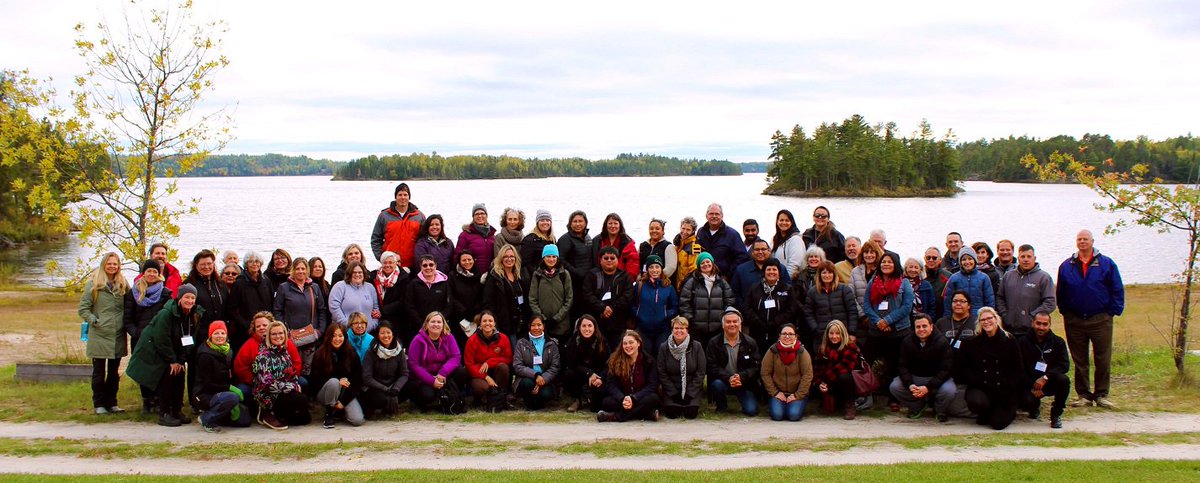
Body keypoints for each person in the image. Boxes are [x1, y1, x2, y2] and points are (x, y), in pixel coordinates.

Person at [1057, 229, 1124, 409]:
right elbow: (1060, 292)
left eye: (1085, 239)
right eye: (1079, 239)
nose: (1082, 242)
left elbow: (1117, 288)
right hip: (1075, 320)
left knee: (1102, 357)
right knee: (1080, 359)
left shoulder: (1106, 263)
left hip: (1100, 319)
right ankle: (1084, 395)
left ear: (1092, 241)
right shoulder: (1067, 265)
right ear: (1076, 242)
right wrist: (1066, 312)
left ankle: (1101, 394)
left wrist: (1113, 311)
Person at [126, 284, 202, 427]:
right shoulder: (166, 314)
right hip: (156, 349)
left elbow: (190, 339)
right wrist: (172, 361)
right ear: (179, 298)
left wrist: (181, 360)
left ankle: (176, 411)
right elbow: (161, 338)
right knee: (167, 377)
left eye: (193, 298)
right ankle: (164, 413)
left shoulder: (194, 315)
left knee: (180, 375)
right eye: (187, 297)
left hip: (176, 349)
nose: (190, 301)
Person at [956, 307, 1024, 430]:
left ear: (996, 319)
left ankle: (1006, 411)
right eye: (983, 320)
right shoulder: (972, 343)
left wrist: (1010, 384)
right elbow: (963, 369)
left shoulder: (1010, 340)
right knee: (976, 402)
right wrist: (977, 380)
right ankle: (985, 411)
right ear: (979, 323)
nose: (986, 322)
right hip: (982, 387)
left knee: (998, 425)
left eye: (989, 318)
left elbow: (1018, 368)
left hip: (1004, 389)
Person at [862, 252, 915, 411]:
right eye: (883, 262)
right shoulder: (873, 281)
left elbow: (907, 307)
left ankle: (894, 398)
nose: (886, 264)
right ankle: (864, 394)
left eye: (890, 262)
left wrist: (888, 320)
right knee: (865, 361)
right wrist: (878, 321)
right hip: (876, 331)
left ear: (896, 264)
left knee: (895, 365)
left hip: (898, 332)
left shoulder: (904, 283)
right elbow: (866, 305)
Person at [79, 252, 129, 415]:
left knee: (114, 372)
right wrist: (95, 320)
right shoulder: (93, 284)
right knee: (99, 371)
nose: (112, 266)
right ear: (104, 265)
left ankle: (112, 402)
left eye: (115, 264)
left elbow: (131, 302)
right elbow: (83, 309)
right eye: (109, 263)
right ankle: (99, 403)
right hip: (99, 333)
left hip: (117, 333)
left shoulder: (122, 284)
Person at [124, 259, 173, 414]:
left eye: (155, 271)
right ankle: (147, 401)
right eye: (149, 271)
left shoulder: (165, 294)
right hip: (140, 339)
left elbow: (169, 318)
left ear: (159, 274)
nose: (152, 274)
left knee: (158, 370)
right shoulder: (134, 293)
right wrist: (136, 333)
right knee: (143, 370)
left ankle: (158, 400)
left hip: (158, 339)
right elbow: (127, 319)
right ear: (143, 273)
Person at [889, 313, 955, 421]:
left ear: (931, 326)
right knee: (895, 387)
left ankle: (940, 411)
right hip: (915, 378)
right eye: (918, 327)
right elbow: (902, 366)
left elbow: (946, 369)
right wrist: (909, 384)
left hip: (937, 378)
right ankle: (917, 406)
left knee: (949, 390)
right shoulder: (907, 341)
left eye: (924, 326)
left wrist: (928, 387)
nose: (921, 329)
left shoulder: (942, 342)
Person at [191, 321, 252, 432]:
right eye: (216, 333)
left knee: (245, 420)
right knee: (232, 397)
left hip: (221, 392)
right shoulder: (205, 355)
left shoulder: (228, 351)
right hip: (204, 394)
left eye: (222, 333)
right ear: (210, 335)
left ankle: (220, 416)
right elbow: (206, 384)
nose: (220, 336)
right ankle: (206, 418)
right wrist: (229, 389)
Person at [273, 257, 329, 376]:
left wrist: (320, 331)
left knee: (310, 371)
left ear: (307, 270)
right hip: (292, 337)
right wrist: (285, 332)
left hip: (311, 337)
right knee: (293, 369)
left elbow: (322, 310)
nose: (300, 271)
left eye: (303, 268)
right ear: (293, 270)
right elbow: (277, 311)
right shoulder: (284, 288)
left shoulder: (314, 287)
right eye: (297, 268)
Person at [232, 312, 301, 404]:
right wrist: (255, 381)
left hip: (285, 380)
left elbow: (297, 363)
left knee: (303, 382)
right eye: (258, 326)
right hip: (259, 383)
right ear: (254, 329)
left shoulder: (285, 342)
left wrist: (288, 380)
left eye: (265, 325)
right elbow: (240, 368)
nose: (261, 328)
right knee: (242, 390)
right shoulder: (248, 346)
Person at [253, 321, 310, 430]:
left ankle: (281, 414)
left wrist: (294, 385)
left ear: (285, 335)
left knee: (305, 419)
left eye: (280, 333)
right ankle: (266, 412)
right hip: (268, 395)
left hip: (284, 391)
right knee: (300, 399)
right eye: (274, 334)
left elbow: (291, 375)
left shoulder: (285, 353)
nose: (278, 336)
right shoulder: (264, 356)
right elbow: (267, 383)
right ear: (269, 336)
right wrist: (290, 387)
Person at [407, 312, 468, 413]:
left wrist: (442, 373)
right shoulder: (418, 340)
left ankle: (455, 397)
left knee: (461, 372)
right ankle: (421, 401)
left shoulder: (449, 337)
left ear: (443, 325)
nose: (436, 324)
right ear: (426, 324)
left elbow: (456, 356)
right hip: (425, 377)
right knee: (427, 396)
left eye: (439, 322)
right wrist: (432, 381)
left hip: (443, 375)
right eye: (433, 321)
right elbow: (414, 364)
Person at [705, 308, 761, 416]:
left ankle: (744, 401)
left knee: (752, 411)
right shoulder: (714, 343)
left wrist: (741, 377)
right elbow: (712, 367)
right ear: (723, 325)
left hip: (744, 382)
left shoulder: (750, 342)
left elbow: (756, 366)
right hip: (724, 381)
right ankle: (721, 406)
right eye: (728, 322)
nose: (732, 324)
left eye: (735, 321)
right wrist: (729, 378)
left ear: (740, 324)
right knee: (716, 385)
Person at [1019, 312, 1070, 429]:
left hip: (1049, 381)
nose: (1041, 327)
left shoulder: (1058, 342)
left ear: (1049, 325)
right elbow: (1019, 368)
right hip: (1029, 384)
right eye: (1038, 323)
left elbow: (1064, 365)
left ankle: (1056, 414)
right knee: (1027, 401)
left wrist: (1046, 378)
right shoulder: (1022, 342)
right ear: (1032, 323)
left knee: (1064, 380)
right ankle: (1033, 407)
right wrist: (1032, 385)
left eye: (1045, 324)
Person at [596, 330, 661, 422]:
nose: (628, 346)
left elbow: (652, 385)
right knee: (606, 402)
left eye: (631, 342)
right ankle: (646, 414)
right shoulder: (615, 360)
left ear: (638, 343)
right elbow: (611, 385)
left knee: (654, 398)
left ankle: (615, 417)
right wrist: (622, 398)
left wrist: (634, 398)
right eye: (625, 343)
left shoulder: (649, 361)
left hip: (640, 397)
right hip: (623, 397)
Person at [310, 323, 365, 428]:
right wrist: (338, 381)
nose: (337, 339)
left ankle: (339, 411)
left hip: (345, 393)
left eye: (340, 336)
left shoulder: (352, 353)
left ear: (345, 337)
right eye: (334, 335)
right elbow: (315, 380)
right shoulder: (320, 354)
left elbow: (357, 381)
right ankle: (329, 413)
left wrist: (344, 402)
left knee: (357, 420)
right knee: (334, 383)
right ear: (328, 336)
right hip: (325, 392)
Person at [997, 244, 1056, 337]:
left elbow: (1050, 302)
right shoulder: (1008, 276)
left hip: (1032, 331)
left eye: (1029, 256)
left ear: (1034, 258)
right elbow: (1000, 297)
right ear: (1018, 258)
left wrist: (1033, 317)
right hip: (1009, 330)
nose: (1026, 259)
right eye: (1023, 256)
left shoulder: (1044, 277)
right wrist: (1005, 314)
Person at [678, 252, 735, 345]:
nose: (706, 264)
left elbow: (729, 301)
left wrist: (723, 318)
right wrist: (691, 320)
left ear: (712, 263)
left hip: (718, 329)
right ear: (698, 266)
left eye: (708, 262)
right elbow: (684, 303)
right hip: (697, 329)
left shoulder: (721, 282)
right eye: (702, 263)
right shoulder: (692, 282)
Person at [653, 317, 704, 419]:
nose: (679, 331)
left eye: (682, 328)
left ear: (687, 330)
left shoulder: (697, 346)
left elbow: (700, 372)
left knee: (690, 414)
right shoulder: (664, 347)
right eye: (676, 328)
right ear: (672, 330)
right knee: (672, 414)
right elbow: (661, 372)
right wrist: (673, 393)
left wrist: (690, 393)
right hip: (671, 389)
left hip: (691, 388)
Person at [583, 246, 635, 347]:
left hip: (618, 324)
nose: (609, 260)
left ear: (618, 260)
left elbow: (627, 296)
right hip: (596, 323)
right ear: (600, 260)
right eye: (606, 258)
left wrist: (611, 308)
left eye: (612, 258)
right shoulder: (592, 275)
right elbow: (587, 294)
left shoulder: (625, 276)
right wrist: (602, 308)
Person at [743, 258, 801, 348]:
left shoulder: (787, 289)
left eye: (774, 269)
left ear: (779, 272)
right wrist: (758, 322)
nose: (771, 272)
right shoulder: (754, 288)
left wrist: (776, 322)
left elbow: (792, 309)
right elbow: (747, 307)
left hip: (779, 332)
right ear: (764, 272)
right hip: (757, 331)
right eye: (768, 269)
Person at [761, 324, 813, 422]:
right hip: (778, 393)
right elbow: (765, 373)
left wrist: (797, 395)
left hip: (797, 393)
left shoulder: (802, 352)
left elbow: (807, 375)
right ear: (779, 335)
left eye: (790, 334)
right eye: (784, 333)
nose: (787, 336)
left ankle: (795, 406)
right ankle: (780, 406)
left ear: (796, 336)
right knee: (777, 416)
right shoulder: (772, 351)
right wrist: (775, 393)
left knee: (793, 416)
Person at [805, 261, 861, 350]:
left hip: (843, 335)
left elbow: (852, 312)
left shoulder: (844, 290)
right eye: (824, 273)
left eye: (829, 272)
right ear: (819, 275)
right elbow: (808, 313)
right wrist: (816, 329)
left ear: (834, 274)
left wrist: (852, 332)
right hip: (822, 337)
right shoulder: (812, 292)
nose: (827, 275)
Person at [464, 311, 513, 410]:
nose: (487, 323)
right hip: (479, 373)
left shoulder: (503, 338)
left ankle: (501, 398)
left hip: (496, 371)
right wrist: (485, 377)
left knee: (503, 367)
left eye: (490, 321)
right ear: (480, 324)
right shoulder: (472, 340)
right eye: (484, 321)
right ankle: (478, 399)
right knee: (481, 388)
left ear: (494, 323)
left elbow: (508, 358)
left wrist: (489, 362)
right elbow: (469, 364)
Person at [360, 321, 410, 419]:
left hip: (392, 385)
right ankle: (382, 407)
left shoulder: (399, 350)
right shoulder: (371, 351)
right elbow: (367, 377)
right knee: (382, 398)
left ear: (393, 334)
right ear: (378, 335)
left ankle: (391, 403)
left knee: (412, 386)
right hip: (376, 387)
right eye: (382, 333)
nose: (385, 336)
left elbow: (404, 374)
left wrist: (396, 388)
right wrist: (386, 389)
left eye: (388, 332)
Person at [812, 320, 860, 420]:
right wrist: (820, 383)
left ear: (843, 334)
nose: (834, 336)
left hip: (847, 384)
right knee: (815, 385)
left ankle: (850, 406)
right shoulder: (823, 349)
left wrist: (826, 380)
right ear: (827, 334)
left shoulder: (851, 347)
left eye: (838, 333)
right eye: (831, 333)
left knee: (845, 376)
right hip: (829, 382)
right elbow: (817, 369)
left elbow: (845, 367)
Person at [371, 182, 425, 270]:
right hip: (390, 266)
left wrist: (421, 259)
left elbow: (424, 240)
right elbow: (375, 239)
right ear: (395, 197)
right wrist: (381, 257)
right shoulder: (384, 216)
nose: (403, 197)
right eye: (400, 195)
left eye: (405, 195)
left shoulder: (419, 216)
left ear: (409, 197)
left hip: (413, 265)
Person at [228, 251, 273, 355]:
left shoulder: (266, 281)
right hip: (245, 329)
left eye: (257, 261)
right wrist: (247, 325)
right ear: (246, 264)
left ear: (261, 264)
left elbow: (272, 303)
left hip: (265, 327)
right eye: (251, 261)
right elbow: (232, 309)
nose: (254, 264)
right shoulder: (239, 283)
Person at [561, 315, 609, 413]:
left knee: (595, 409)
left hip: (598, 376)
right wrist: (588, 373)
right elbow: (571, 363)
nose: (587, 329)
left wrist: (600, 378)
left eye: (589, 326)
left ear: (594, 327)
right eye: (584, 326)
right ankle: (577, 400)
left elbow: (609, 364)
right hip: (581, 373)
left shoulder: (602, 341)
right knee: (569, 373)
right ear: (579, 327)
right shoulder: (573, 341)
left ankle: (590, 398)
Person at [630, 255, 678, 350]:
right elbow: (632, 304)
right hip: (643, 330)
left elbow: (674, 307)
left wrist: (665, 315)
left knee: (661, 355)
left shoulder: (668, 287)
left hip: (662, 330)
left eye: (657, 267)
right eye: (651, 267)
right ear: (647, 269)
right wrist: (638, 314)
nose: (654, 270)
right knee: (645, 356)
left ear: (661, 268)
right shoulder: (640, 285)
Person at [184, 249, 228, 352]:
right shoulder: (189, 284)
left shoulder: (220, 284)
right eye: (202, 264)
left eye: (209, 263)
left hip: (219, 334)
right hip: (198, 334)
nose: (207, 267)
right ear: (196, 265)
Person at [513, 317, 561, 410]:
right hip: (528, 378)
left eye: (539, 325)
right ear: (529, 327)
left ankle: (538, 403)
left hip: (546, 380)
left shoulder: (552, 343)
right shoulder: (521, 343)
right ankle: (530, 404)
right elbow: (517, 365)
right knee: (526, 384)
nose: (536, 328)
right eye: (533, 325)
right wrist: (535, 375)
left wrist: (542, 379)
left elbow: (555, 366)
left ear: (543, 326)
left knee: (546, 394)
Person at [529, 244, 573, 343]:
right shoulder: (537, 275)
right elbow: (532, 299)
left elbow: (569, 299)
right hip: (543, 325)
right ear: (543, 257)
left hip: (561, 325)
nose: (551, 259)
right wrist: (542, 318)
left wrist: (557, 318)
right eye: (548, 256)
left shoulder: (564, 275)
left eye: (554, 256)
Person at [483, 244, 528, 336]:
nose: (509, 259)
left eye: (512, 256)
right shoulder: (494, 277)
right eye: (506, 256)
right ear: (501, 259)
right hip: (504, 325)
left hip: (520, 323)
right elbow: (488, 302)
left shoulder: (520, 275)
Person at [405, 254, 457, 336]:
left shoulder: (444, 283)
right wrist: (422, 323)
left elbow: (449, 305)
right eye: (425, 265)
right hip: (419, 326)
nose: (428, 267)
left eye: (431, 265)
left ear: (435, 265)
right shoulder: (413, 284)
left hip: (439, 326)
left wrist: (440, 321)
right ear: (421, 267)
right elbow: (409, 305)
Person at [557, 210, 594, 318]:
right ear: (570, 223)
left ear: (585, 223)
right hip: (573, 282)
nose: (578, 224)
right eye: (575, 221)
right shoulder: (565, 239)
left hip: (588, 281)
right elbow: (561, 260)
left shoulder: (588, 238)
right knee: (575, 310)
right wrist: (577, 272)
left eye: (580, 221)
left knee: (587, 310)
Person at [731, 239, 790, 306]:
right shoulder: (741, 270)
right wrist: (744, 309)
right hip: (748, 312)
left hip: (776, 312)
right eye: (757, 249)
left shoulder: (780, 269)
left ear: (769, 251)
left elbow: (788, 290)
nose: (760, 252)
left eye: (763, 249)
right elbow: (734, 293)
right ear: (752, 252)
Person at [696, 203, 749, 278]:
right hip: (703, 276)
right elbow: (696, 253)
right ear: (706, 216)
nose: (714, 216)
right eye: (711, 214)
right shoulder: (700, 232)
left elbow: (742, 257)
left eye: (717, 214)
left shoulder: (733, 234)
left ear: (722, 216)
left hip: (723, 278)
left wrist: (729, 275)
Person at [329, 261, 381, 333]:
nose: (357, 274)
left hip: (367, 332)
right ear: (349, 273)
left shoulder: (370, 287)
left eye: (360, 272)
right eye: (354, 272)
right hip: (345, 331)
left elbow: (376, 308)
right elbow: (334, 308)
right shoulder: (340, 286)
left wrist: (372, 325)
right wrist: (348, 325)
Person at [942, 251, 994, 319]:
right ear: (960, 262)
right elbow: (948, 300)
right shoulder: (954, 278)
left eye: (970, 259)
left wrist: (989, 316)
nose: (967, 262)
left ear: (975, 260)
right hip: (959, 317)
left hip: (979, 317)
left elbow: (989, 300)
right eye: (964, 259)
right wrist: (947, 318)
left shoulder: (984, 278)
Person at [448, 250, 484, 349]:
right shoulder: (452, 276)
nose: (467, 262)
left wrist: (475, 312)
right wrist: (463, 311)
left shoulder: (479, 275)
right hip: (458, 317)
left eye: (469, 259)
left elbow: (482, 296)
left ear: (474, 260)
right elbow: (451, 296)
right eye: (464, 260)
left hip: (475, 317)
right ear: (459, 262)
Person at [372, 251, 410, 340]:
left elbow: (402, 300)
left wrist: (383, 311)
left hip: (397, 317)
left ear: (396, 263)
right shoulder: (373, 276)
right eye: (385, 262)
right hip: (377, 316)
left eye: (391, 262)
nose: (387, 265)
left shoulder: (404, 277)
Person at [593, 213, 639, 279]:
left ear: (620, 225)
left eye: (615, 223)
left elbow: (633, 265)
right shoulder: (598, 240)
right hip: (601, 278)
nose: (613, 226)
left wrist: (627, 282)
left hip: (620, 279)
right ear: (606, 225)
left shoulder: (628, 243)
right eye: (610, 223)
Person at [455, 203, 497, 274]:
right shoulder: (465, 235)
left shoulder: (492, 236)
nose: (480, 216)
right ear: (473, 217)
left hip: (490, 276)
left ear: (486, 216)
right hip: (472, 277)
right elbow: (457, 257)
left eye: (482, 213)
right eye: (477, 214)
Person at [850, 239, 884, 319]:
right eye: (866, 252)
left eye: (872, 252)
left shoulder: (882, 271)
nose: (869, 255)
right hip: (861, 317)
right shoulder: (855, 271)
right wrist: (862, 316)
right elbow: (851, 295)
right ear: (862, 254)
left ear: (877, 254)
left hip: (880, 317)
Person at [771, 209, 807, 281]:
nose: (784, 222)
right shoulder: (774, 240)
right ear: (777, 222)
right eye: (781, 220)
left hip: (789, 283)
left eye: (787, 220)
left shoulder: (796, 240)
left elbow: (794, 265)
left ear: (792, 223)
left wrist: (785, 282)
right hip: (776, 281)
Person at [520, 209, 556, 277]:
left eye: (547, 220)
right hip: (535, 277)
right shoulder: (530, 239)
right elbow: (524, 262)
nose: (545, 222)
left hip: (550, 276)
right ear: (537, 222)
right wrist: (538, 273)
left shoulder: (552, 239)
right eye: (542, 220)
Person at [673, 216, 703, 289]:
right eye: (683, 228)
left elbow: (694, 269)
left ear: (693, 231)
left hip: (685, 285)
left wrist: (683, 284)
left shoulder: (695, 246)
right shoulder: (679, 244)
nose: (685, 232)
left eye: (688, 230)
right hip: (676, 282)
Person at [923, 247, 952, 320]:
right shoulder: (920, 275)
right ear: (924, 259)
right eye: (928, 258)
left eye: (934, 258)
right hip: (924, 317)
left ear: (940, 260)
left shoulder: (948, 276)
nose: (931, 260)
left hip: (943, 316)